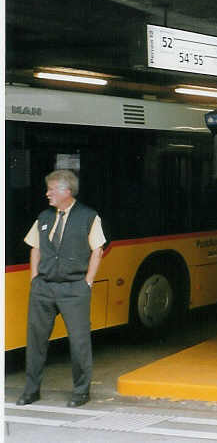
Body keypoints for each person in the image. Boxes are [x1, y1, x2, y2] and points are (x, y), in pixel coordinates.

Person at [17, 169, 106, 408]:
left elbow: (97, 250)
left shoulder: (88, 216)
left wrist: (87, 281)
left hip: (74, 288)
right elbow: (34, 248)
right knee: (35, 341)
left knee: (78, 342)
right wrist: (34, 278)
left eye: (51, 190)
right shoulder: (44, 216)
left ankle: (81, 391)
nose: (47, 194)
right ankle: (31, 390)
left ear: (67, 191)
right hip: (43, 287)